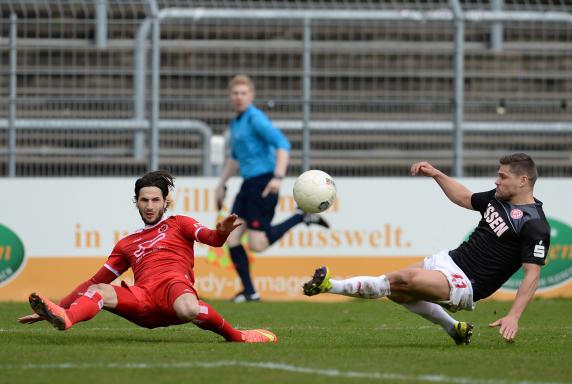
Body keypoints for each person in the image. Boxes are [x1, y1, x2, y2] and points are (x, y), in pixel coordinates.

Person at [303, 153, 550, 344]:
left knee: (400, 279)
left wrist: (513, 316)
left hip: (467, 283)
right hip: (450, 260)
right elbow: (465, 198)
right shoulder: (498, 198)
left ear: (523, 180)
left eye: (503, 176)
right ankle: (455, 329)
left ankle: (328, 285)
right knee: (397, 292)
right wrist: (435, 174)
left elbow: (532, 275)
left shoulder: (534, 224)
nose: (497, 180)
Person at [18, 170, 277, 343]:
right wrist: (57, 308)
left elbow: (211, 239)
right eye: (144, 200)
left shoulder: (179, 223)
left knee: (188, 308)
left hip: (174, 291)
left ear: (166, 202)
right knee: (99, 289)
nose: (150, 206)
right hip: (143, 301)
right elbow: (91, 282)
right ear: (136, 202)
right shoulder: (127, 243)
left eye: (155, 200)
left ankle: (237, 336)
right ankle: (66, 319)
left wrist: (221, 233)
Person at [216, 74, 329, 303]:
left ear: (251, 96)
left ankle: (300, 217)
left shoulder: (256, 119)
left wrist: (278, 176)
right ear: (230, 96)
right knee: (232, 236)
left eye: (243, 93)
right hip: (248, 185)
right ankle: (250, 293)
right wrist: (221, 184)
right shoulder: (236, 123)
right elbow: (235, 160)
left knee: (257, 245)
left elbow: (283, 145)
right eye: (235, 93)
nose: (239, 97)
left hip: (264, 183)